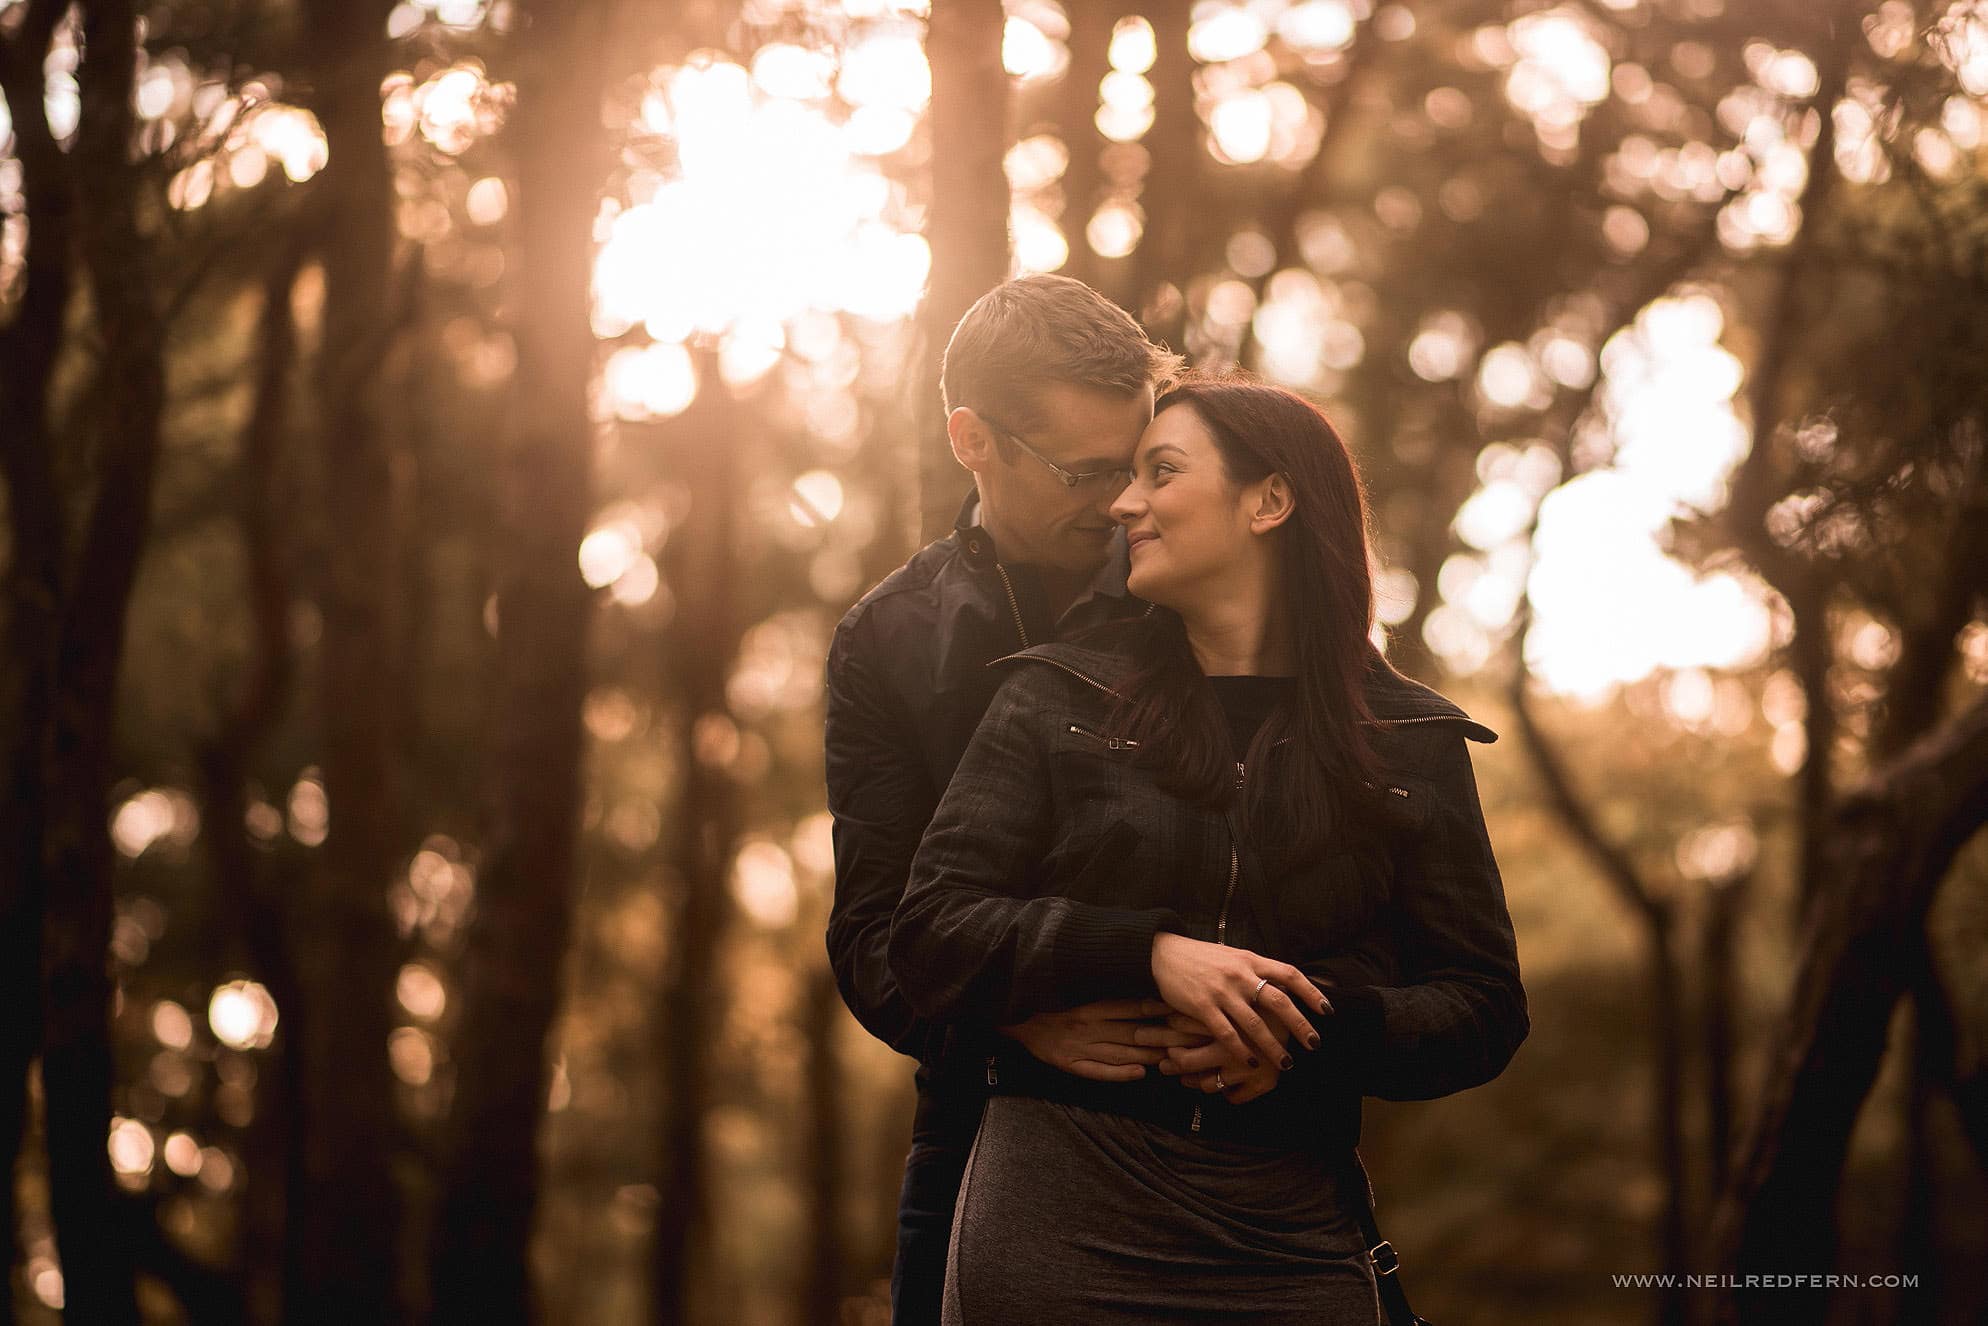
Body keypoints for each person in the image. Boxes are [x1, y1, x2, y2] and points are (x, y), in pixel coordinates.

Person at [888, 379, 1530, 1324]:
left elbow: (1482, 1005)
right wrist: (1146, 952)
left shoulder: (1411, 740)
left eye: (1162, 472)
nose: (1123, 502)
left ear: (1268, 501)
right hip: (1060, 1216)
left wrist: (1305, 1034)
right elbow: (932, 929)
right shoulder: (1057, 696)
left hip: (1290, 1235)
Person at [823, 274, 1186, 1323]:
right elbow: (871, 935)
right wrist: (1012, 1027)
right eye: (1085, 471)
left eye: (1136, 466)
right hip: (976, 1119)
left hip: (1215, 1136)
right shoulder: (885, 641)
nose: (1122, 502)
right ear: (971, 440)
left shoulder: (1200, 594)